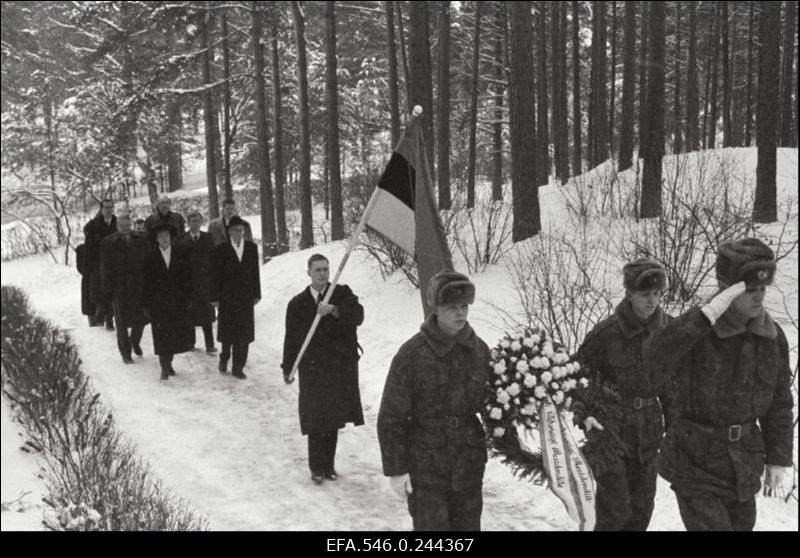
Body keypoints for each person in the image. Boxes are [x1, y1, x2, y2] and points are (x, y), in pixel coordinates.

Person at [645, 238, 794, 531]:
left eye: (763, 288)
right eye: (750, 289)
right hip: (695, 462)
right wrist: (704, 316)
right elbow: (655, 359)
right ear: (726, 289)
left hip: (743, 466)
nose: (759, 297)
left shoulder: (771, 337)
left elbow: (779, 403)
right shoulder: (696, 332)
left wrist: (778, 458)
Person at [377, 270, 491, 531]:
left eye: (464, 306)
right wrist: (396, 469)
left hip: (468, 464)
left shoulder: (479, 351)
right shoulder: (412, 354)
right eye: (452, 307)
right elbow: (391, 416)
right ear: (437, 309)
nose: (461, 313)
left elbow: (495, 407)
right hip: (426, 465)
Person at [572, 257, 671, 531]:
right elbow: (577, 379)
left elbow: (674, 387)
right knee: (614, 509)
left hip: (649, 434)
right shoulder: (606, 334)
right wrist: (586, 415)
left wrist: (676, 429)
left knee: (642, 509)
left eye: (656, 294)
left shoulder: (668, 332)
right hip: (610, 433)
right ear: (629, 294)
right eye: (644, 295)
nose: (651, 301)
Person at [281, 254, 365, 485]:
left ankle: (329, 465)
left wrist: (335, 310)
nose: (322, 274)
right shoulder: (297, 304)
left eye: (326, 269)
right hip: (312, 369)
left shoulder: (341, 294)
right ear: (308, 272)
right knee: (315, 418)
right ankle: (316, 467)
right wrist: (288, 368)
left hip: (338, 368)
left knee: (333, 418)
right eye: (317, 270)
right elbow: (291, 339)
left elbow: (358, 315)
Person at [210, 216, 260, 379]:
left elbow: (255, 274)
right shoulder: (221, 250)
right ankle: (224, 357)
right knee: (228, 334)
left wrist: (256, 294)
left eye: (241, 230)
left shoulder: (251, 248)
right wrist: (215, 297)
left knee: (244, 334)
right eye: (235, 230)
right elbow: (215, 276)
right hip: (227, 298)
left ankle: (238, 367)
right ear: (229, 232)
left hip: (245, 298)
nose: (239, 233)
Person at [143, 223, 194, 380]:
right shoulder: (150, 257)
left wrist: (188, 298)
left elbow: (188, 278)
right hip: (158, 303)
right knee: (160, 335)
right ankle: (163, 367)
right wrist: (146, 304)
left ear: (171, 238)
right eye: (160, 237)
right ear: (156, 239)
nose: (164, 239)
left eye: (166, 236)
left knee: (173, 334)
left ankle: (169, 361)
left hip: (177, 301)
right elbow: (145, 283)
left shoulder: (181, 253)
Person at [100, 213, 150, 364]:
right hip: (119, 288)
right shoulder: (108, 242)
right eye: (122, 226)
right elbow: (105, 268)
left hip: (139, 285)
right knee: (121, 323)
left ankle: (135, 341)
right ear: (117, 227)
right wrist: (107, 289)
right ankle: (125, 353)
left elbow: (148, 261)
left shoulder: (141, 239)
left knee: (141, 319)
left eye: (128, 225)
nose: (125, 228)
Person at [175, 211, 217, 353]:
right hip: (188, 284)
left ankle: (210, 344)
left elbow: (213, 259)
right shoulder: (181, 240)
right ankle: (190, 343)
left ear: (201, 222)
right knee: (190, 314)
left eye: (198, 220)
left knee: (207, 315)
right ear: (188, 223)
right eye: (192, 220)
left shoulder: (208, 237)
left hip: (205, 283)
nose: (195, 223)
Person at [83, 198, 117, 329]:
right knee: (101, 291)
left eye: (110, 207)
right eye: (106, 208)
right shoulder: (93, 226)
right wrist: (89, 268)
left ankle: (110, 317)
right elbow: (89, 248)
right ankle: (103, 315)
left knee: (114, 291)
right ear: (101, 209)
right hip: (99, 264)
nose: (108, 210)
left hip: (114, 263)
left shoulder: (117, 222)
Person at [75, 242, 96, 326]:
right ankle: (93, 324)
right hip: (89, 280)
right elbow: (80, 267)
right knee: (90, 306)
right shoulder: (82, 249)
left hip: (99, 279)